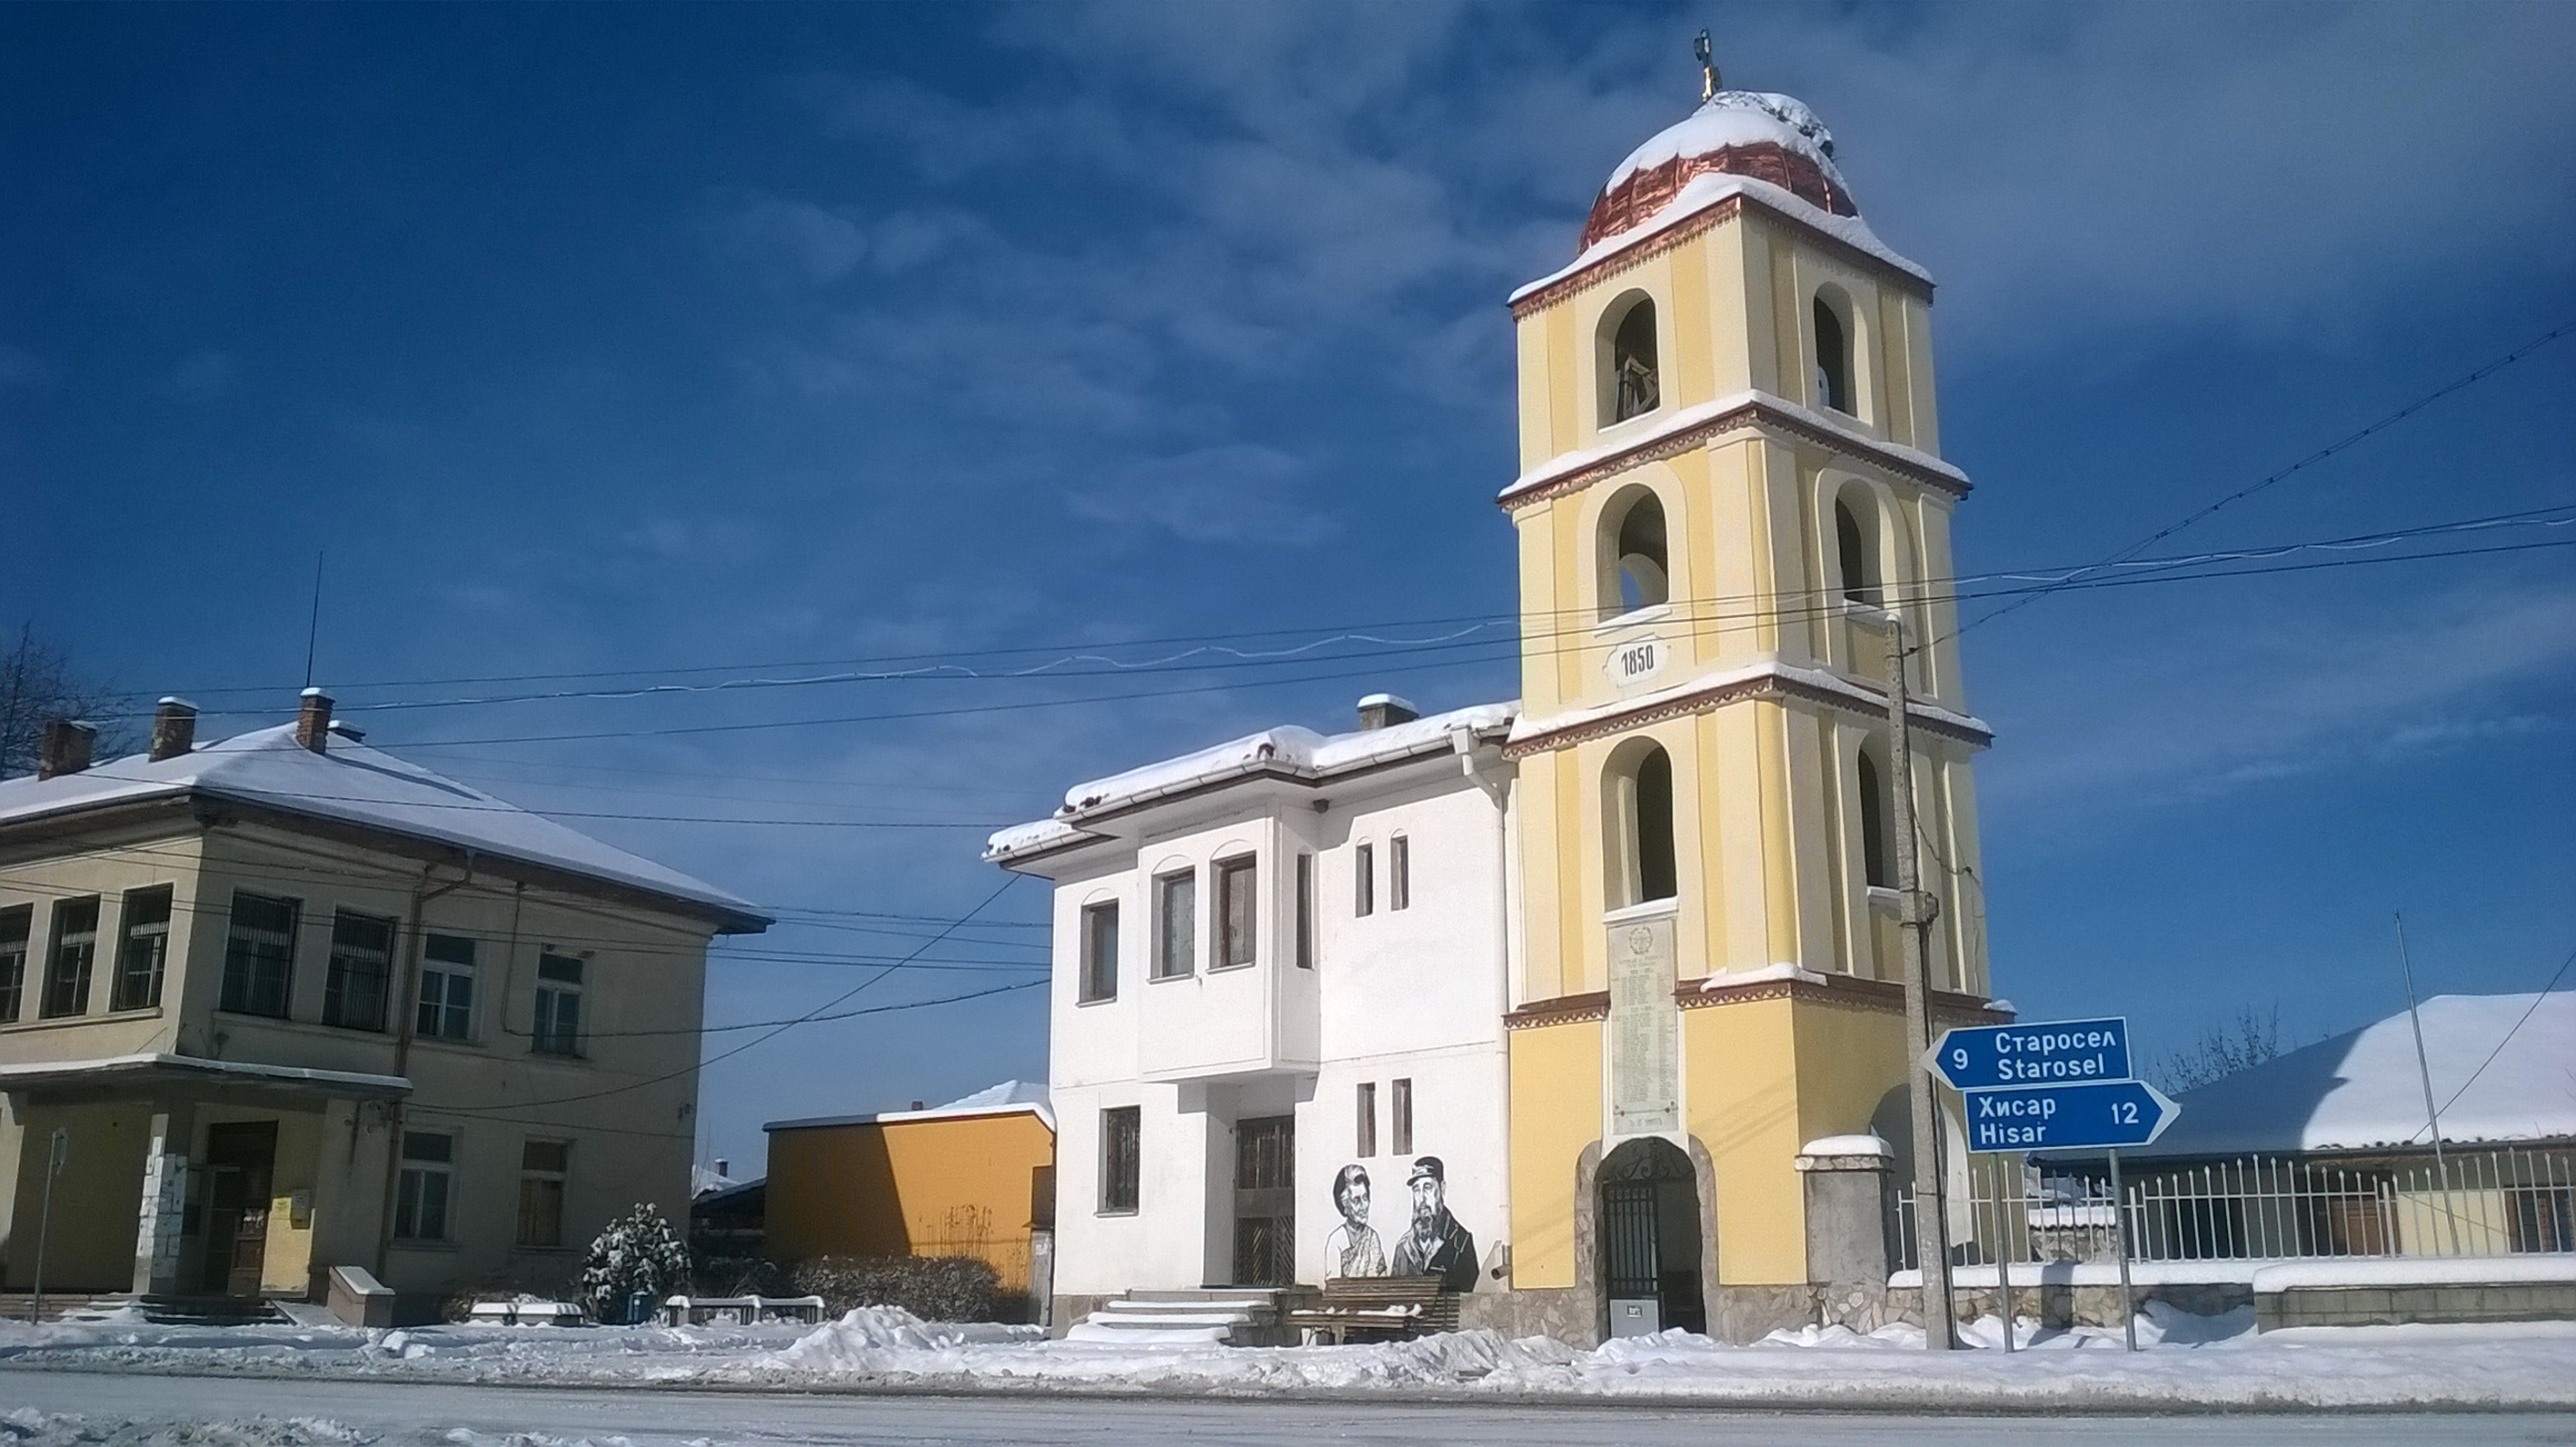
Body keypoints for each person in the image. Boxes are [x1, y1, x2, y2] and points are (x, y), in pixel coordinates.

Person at [1388, 1155, 1477, 1291]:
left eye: (1428, 1188)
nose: (1421, 1199)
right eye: (1417, 1190)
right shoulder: (1404, 1246)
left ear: (1442, 1189)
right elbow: (1394, 1297)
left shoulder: (1460, 1242)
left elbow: (1468, 1301)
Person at [1322, 1163, 1387, 1278]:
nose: (1364, 1206)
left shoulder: (1373, 1238)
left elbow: (1382, 1279)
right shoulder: (1336, 1241)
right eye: (1356, 1201)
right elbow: (1334, 1287)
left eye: (1365, 1198)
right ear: (1345, 1206)